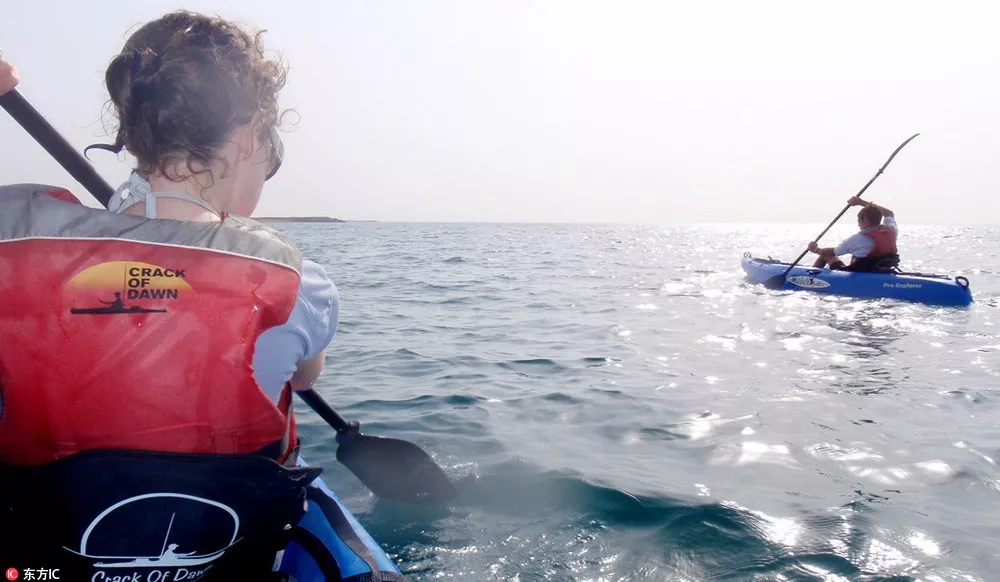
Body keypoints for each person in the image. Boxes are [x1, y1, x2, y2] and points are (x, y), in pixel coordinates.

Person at [0, 12, 344, 580]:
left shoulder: (15, 251)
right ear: (248, 135)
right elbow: (306, 377)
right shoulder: (298, 284)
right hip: (228, 562)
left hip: (46, 561)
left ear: (133, 135)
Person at [807, 196, 899, 272]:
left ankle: (809, 277)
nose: (858, 224)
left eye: (858, 220)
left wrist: (815, 249)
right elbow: (889, 213)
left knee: (826, 255)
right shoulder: (892, 230)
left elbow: (831, 252)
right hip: (882, 271)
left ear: (865, 220)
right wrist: (861, 202)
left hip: (858, 275)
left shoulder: (859, 239)